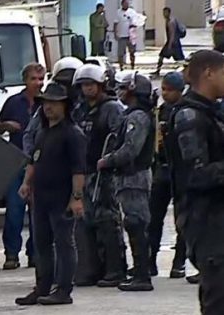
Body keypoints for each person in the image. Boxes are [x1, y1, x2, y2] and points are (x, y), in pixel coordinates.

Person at [166, 49, 224, 315]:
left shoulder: (208, 114)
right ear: (207, 73)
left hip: (215, 224)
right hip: (208, 227)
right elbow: (196, 174)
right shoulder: (189, 117)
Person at [17, 83, 86, 305]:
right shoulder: (42, 133)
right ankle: (42, 287)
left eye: (54, 103)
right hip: (42, 198)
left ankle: (64, 290)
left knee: (65, 243)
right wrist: (27, 183)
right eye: (46, 103)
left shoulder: (72, 134)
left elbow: (79, 169)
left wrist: (76, 198)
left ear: (64, 106)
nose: (48, 108)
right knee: (41, 243)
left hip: (61, 197)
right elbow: (33, 161)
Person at [97, 72, 156, 292]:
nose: (119, 92)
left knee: (136, 223)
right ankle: (140, 271)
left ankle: (142, 274)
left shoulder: (137, 117)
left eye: (123, 88)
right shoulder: (133, 115)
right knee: (134, 223)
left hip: (134, 177)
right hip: (130, 177)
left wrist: (108, 160)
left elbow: (131, 149)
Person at [72, 64, 127, 287]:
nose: (87, 89)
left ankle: (115, 270)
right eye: (84, 85)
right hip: (84, 172)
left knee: (108, 221)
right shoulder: (79, 110)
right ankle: (89, 270)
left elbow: (119, 138)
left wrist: (109, 161)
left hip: (105, 174)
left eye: (91, 85)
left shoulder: (113, 108)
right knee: (84, 222)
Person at [0, 63, 45, 270]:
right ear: (25, 80)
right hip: (17, 162)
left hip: (40, 164)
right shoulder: (14, 102)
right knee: (15, 210)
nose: (38, 83)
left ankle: (35, 253)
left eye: (41, 79)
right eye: (34, 79)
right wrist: (7, 126)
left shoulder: (47, 103)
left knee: (38, 213)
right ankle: (12, 254)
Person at [148, 71, 187, 278]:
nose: (165, 94)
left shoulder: (185, 112)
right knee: (154, 218)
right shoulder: (159, 111)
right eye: (163, 89)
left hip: (180, 171)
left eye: (170, 90)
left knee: (182, 219)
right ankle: (150, 260)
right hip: (161, 169)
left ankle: (179, 262)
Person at [153, 7, 186, 78]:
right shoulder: (169, 20)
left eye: (165, 13)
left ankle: (187, 71)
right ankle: (157, 70)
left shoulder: (171, 22)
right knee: (161, 56)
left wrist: (169, 46)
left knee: (180, 59)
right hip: (173, 42)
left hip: (173, 43)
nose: (164, 14)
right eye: (163, 13)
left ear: (169, 13)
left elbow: (172, 34)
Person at [114, 0, 139, 70]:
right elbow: (115, 23)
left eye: (127, 4)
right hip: (122, 35)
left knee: (132, 52)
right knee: (121, 53)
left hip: (131, 36)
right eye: (125, 4)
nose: (126, 5)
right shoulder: (118, 12)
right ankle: (121, 67)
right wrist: (115, 33)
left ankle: (132, 66)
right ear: (122, 4)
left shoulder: (132, 12)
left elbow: (136, 21)